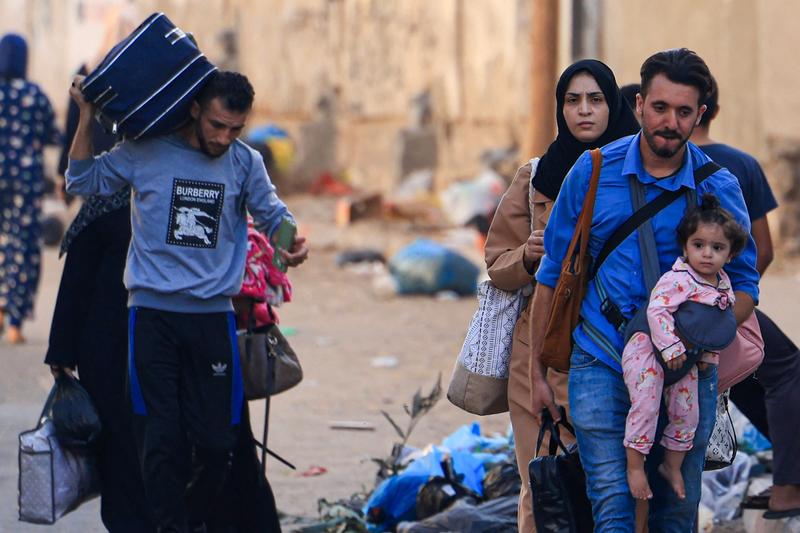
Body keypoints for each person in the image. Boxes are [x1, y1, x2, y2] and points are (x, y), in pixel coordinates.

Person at [527, 48, 759, 531]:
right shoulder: (592, 173)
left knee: (675, 511)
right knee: (610, 504)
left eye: (683, 111)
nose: (669, 122)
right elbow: (552, 277)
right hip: (602, 358)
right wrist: (538, 375)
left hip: (688, 373)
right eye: (659, 108)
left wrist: (699, 336)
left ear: (700, 115)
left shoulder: (719, 187)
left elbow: (745, 288)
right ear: (638, 106)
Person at [66, 70, 308, 532]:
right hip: (152, 315)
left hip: (213, 318)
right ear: (195, 109)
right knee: (159, 440)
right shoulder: (146, 151)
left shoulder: (244, 162)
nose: (224, 138)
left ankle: (193, 522)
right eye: (217, 125)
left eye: (235, 129)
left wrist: (291, 244)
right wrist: (85, 118)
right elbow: (81, 180)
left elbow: (275, 214)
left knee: (220, 444)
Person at [484, 58, 639, 532]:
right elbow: (495, 264)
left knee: (609, 483)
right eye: (573, 100)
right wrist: (528, 259)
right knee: (543, 484)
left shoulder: (637, 177)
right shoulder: (535, 179)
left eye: (596, 100)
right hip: (539, 351)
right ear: (560, 108)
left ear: (613, 105)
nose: (584, 111)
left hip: (615, 349)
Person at [691, 76, 800, 519]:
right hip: (728, 299)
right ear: (713, 110)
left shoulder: (652, 161)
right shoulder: (739, 163)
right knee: (784, 367)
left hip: (667, 302)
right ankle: (788, 489)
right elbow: (764, 250)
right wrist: (737, 301)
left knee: (745, 374)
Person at [623, 194, 747, 501]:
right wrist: (670, 347)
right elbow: (657, 311)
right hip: (648, 349)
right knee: (647, 404)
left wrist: (708, 356)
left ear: (730, 255)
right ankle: (635, 466)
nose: (707, 254)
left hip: (687, 360)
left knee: (687, 414)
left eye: (717, 248)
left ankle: (672, 465)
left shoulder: (723, 286)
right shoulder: (678, 279)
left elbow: (715, 327)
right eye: (698, 245)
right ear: (685, 247)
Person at [0, 33, 61, 343]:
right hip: (26, 183)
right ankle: (14, 324)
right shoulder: (34, 95)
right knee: (22, 249)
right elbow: (55, 135)